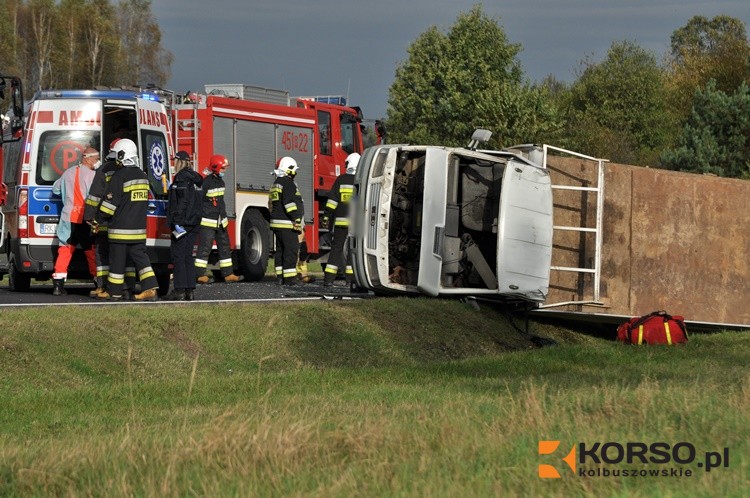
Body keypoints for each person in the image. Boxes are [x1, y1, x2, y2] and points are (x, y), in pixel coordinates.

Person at [95, 139, 159, 301]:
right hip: (138, 230)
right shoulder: (143, 177)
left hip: (120, 229)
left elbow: (109, 205)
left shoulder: (119, 176)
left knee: (117, 261)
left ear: (123, 155)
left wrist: (98, 219)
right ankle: (150, 288)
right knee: (141, 259)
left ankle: (114, 292)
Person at [84, 139, 136, 298]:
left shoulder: (104, 170)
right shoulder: (132, 170)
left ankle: (103, 286)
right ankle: (127, 288)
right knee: (124, 255)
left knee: (102, 253)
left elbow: (95, 196)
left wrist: (89, 216)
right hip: (123, 220)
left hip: (103, 219)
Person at [51, 147, 100, 295]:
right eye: (97, 158)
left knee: (65, 250)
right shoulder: (93, 176)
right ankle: (99, 282)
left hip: (68, 218)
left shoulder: (68, 173)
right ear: (88, 158)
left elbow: (56, 189)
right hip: (85, 219)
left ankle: (58, 286)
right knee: (91, 251)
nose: (98, 162)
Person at [194, 154, 241, 284]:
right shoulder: (206, 182)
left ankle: (228, 274)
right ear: (215, 168)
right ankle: (199, 275)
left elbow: (220, 202)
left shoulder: (221, 182)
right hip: (208, 221)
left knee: (225, 247)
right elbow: (199, 201)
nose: (224, 171)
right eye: (223, 168)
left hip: (220, 221)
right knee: (205, 248)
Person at [166, 151, 203, 300]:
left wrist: (176, 221)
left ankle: (180, 290)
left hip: (183, 223)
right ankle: (190, 290)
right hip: (194, 223)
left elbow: (182, 202)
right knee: (188, 256)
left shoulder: (181, 178)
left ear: (179, 162)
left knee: (179, 256)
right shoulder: (196, 178)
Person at [321, 152, 359, 286]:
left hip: (340, 222)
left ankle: (328, 280)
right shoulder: (362, 181)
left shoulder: (341, 179)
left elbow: (332, 200)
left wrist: (326, 214)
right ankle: (351, 281)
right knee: (352, 251)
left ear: (348, 164)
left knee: (336, 249)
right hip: (356, 224)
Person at [270, 156, 304, 285]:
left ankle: (280, 277)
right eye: (294, 170)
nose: (295, 173)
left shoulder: (276, 183)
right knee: (291, 250)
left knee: (280, 250)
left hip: (277, 223)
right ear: (288, 169)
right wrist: (296, 217)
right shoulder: (288, 183)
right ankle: (290, 278)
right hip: (286, 223)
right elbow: (289, 203)